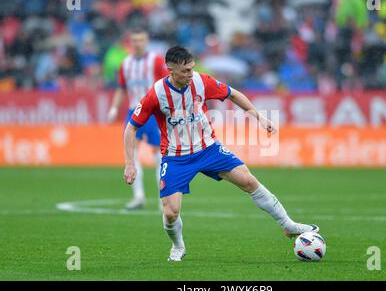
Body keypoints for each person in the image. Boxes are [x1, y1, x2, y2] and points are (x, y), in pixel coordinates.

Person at [123, 46, 319, 261]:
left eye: (191, 68)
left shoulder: (201, 81)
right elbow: (131, 127)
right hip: (176, 157)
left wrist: (259, 117)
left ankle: (288, 224)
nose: (190, 74)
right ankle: (178, 246)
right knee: (171, 212)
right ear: (170, 69)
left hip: (209, 148)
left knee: (248, 180)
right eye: (185, 71)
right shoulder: (156, 93)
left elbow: (234, 94)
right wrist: (130, 163)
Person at [108, 27, 169, 210]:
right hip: (133, 111)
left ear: (147, 41)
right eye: (135, 40)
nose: (138, 43)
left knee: (159, 155)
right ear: (130, 42)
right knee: (131, 155)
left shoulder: (156, 61)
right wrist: (113, 108)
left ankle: (162, 198)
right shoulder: (125, 63)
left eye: (141, 40)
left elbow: (166, 84)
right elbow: (121, 88)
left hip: (153, 113)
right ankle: (138, 196)